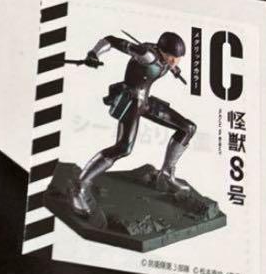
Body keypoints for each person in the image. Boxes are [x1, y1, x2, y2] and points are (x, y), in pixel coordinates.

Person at [71, 30, 195, 222]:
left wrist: (173, 68)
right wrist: (94, 53)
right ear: (163, 52)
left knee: (188, 128)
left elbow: (165, 65)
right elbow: (111, 40)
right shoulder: (147, 55)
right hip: (130, 100)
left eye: (177, 59)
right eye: (172, 58)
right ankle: (80, 186)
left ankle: (166, 175)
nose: (175, 62)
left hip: (144, 102)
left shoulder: (166, 61)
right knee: (123, 148)